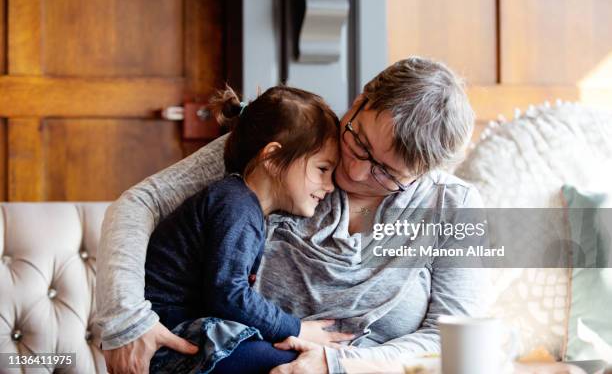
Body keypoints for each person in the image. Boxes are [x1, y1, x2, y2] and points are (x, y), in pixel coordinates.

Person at [96, 57, 487, 374]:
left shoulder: (453, 207)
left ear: (423, 174)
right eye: (359, 142)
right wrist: (126, 321)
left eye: (386, 173)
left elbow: (448, 339)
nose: (353, 171)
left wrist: (339, 365)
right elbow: (140, 202)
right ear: (360, 99)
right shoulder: (295, 146)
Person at [143, 85, 354, 373]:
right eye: (322, 169)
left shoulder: (243, 204)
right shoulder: (236, 206)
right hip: (169, 339)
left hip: (189, 331)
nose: (330, 186)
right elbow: (228, 294)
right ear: (273, 158)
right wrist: (296, 329)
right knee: (293, 363)